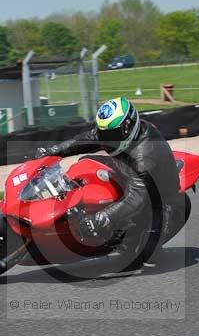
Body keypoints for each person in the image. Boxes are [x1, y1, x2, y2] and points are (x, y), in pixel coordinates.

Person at [34, 97, 184, 269]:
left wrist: (102, 218)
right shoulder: (115, 132)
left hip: (160, 200)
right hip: (128, 171)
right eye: (104, 133)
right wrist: (53, 151)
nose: (107, 139)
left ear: (129, 126)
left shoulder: (145, 156)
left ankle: (131, 237)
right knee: (86, 162)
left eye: (112, 135)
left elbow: (136, 198)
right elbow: (85, 140)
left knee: (146, 256)